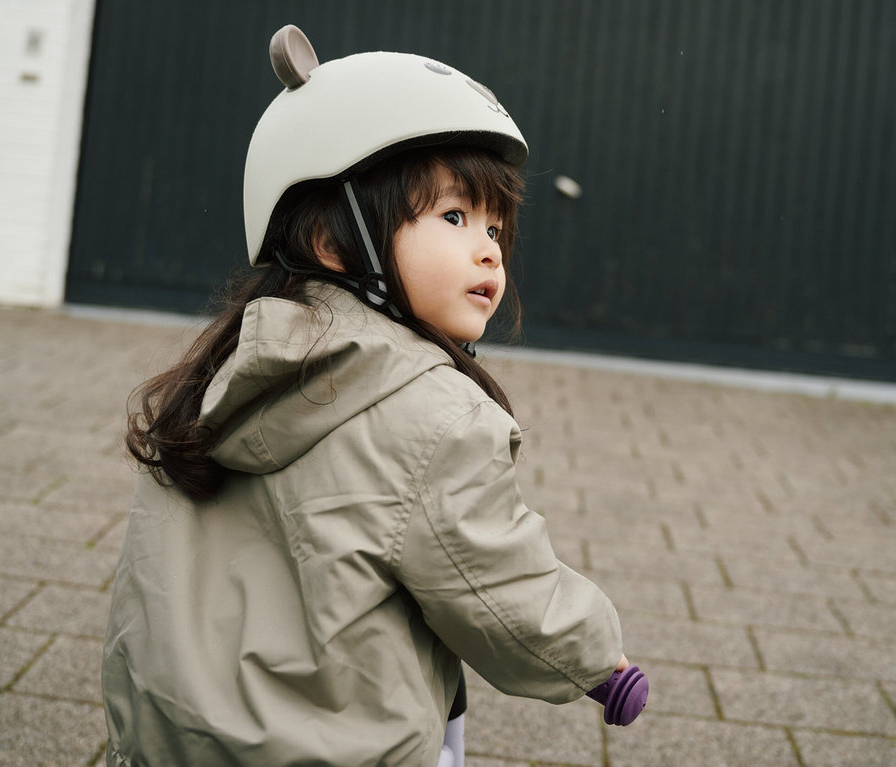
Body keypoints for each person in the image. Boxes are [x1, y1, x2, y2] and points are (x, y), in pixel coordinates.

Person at [101, 25, 631, 767]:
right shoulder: (436, 417)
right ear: (332, 239)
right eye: (455, 216)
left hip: (172, 742)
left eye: (496, 227)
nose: (489, 249)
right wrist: (600, 661)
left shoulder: (217, 376)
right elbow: (499, 587)